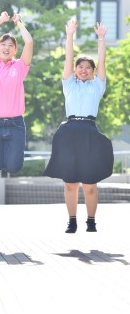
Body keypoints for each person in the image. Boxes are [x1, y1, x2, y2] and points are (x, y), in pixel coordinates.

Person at [44, 20, 113, 233]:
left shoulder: (98, 86)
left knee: (90, 183)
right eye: (80, 67)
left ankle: (91, 221)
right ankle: (72, 220)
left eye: (88, 68)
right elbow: (68, 58)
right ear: (75, 70)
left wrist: (101, 39)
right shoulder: (68, 84)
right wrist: (70, 36)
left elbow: (102, 61)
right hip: (69, 133)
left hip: (89, 133)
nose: (84, 70)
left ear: (93, 72)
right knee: (70, 183)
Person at [0, 11, 34, 181]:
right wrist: (1, 20)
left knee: (14, 167)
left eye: (11, 45)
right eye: (3, 44)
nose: (6, 47)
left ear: (15, 50)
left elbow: (29, 41)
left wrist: (18, 23)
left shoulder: (20, 67)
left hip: (15, 124)